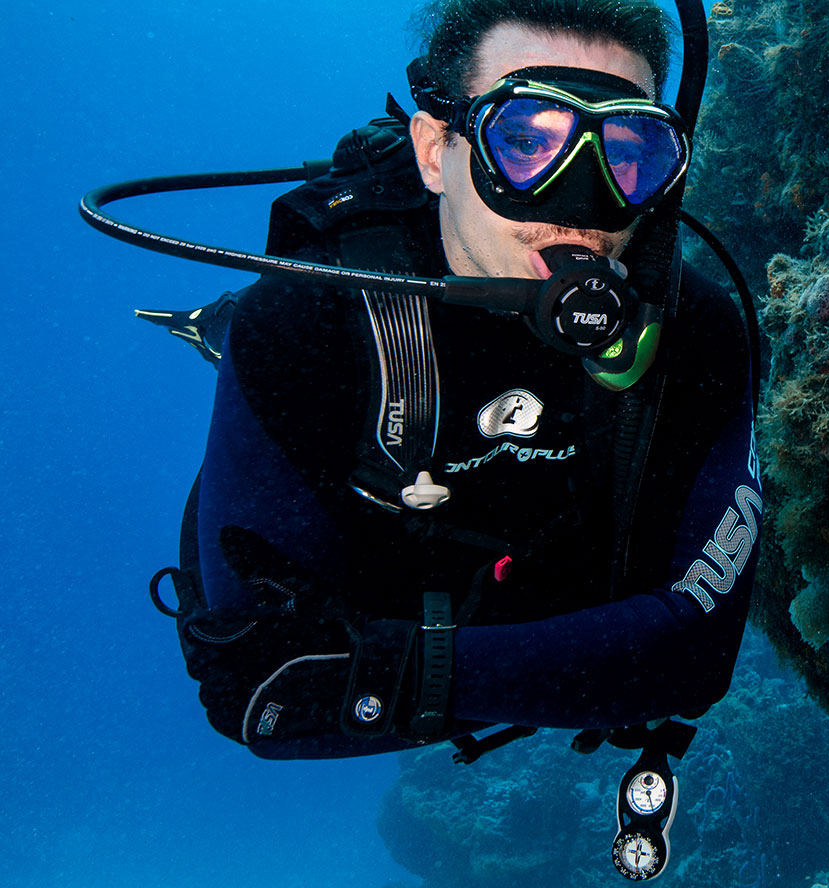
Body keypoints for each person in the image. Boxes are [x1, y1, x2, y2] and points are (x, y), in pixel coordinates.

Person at [164, 0, 761, 779]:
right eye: (524, 142)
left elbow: (694, 658)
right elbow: (261, 693)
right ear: (436, 150)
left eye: (626, 150)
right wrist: (591, 664)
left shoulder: (698, 331)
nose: (581, 203)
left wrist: (397, 673)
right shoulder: (302, 323)